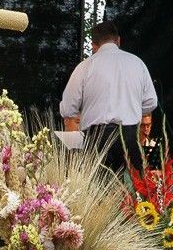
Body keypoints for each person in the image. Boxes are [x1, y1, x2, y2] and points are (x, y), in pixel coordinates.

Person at [60, 20, 157, 172]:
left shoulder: (85, 66)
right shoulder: (137, 63)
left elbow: (68, 108)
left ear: (93, 45)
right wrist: (131, 108)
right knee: (132, 190)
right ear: (118, 40)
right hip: (129, 135)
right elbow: (151, 103)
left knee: (99, 191)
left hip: (96, 138)